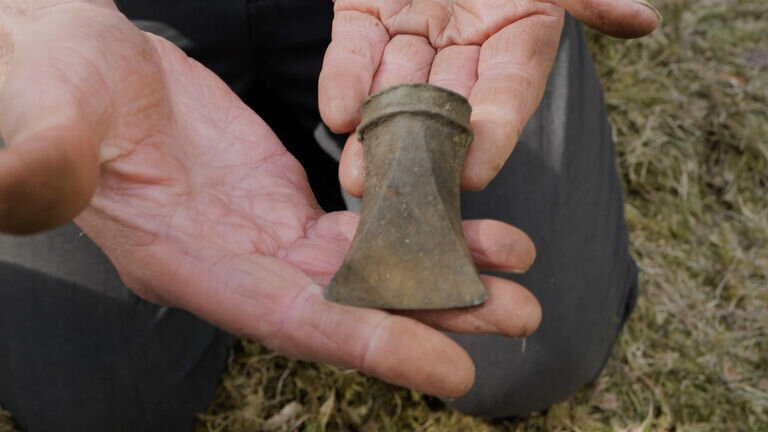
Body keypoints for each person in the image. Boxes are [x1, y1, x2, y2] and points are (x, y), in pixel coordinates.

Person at [0, 0, 659, 430]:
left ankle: (309, 134)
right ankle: (290, 130)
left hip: (425, 20)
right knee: (97, 406)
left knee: (527, 361)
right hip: (122, 15)